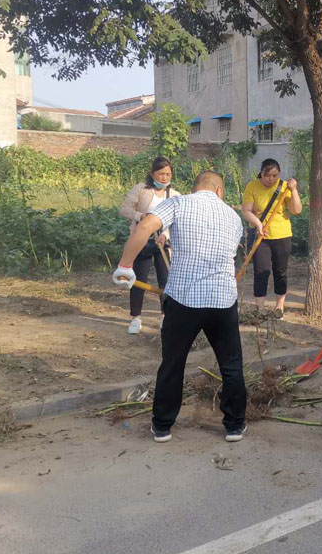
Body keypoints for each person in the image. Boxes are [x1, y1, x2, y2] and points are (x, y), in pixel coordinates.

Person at [112, 171, 247, 443]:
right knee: (231, 365)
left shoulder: (179, 203)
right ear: (219, 191)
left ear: (195, 188)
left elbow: (144, 227)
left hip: (184, 300)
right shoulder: (234, 217)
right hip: (223, 300)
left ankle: (162, 426)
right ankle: (234, 425)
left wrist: (125, 265)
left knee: (173, 364)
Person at [119, 156, 180, 334]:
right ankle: (135, 318)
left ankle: (164, 316)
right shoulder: (141, 189)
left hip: (163, 243)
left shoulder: (175, 195)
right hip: (141, 241)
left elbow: (176, 220)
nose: (164, 178)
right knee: (139, 279)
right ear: (152, 174)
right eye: (161, 174)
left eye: (168, 174)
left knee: (165, 280)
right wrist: (141, 217)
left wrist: (165, 235)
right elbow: (124, 209)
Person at [241, 159, 302, 319]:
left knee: (280, 271)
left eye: (275, 175)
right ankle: (259, 308)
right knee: (261, 271)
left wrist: (294, 190)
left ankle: (279, 306)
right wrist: (258, 224)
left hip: (282, 235)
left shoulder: (283, 187)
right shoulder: (252, 186)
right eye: (267, 175)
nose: (271, 179)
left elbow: (296, 210)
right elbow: (246, 210)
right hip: (261, 235)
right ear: (261, 173)